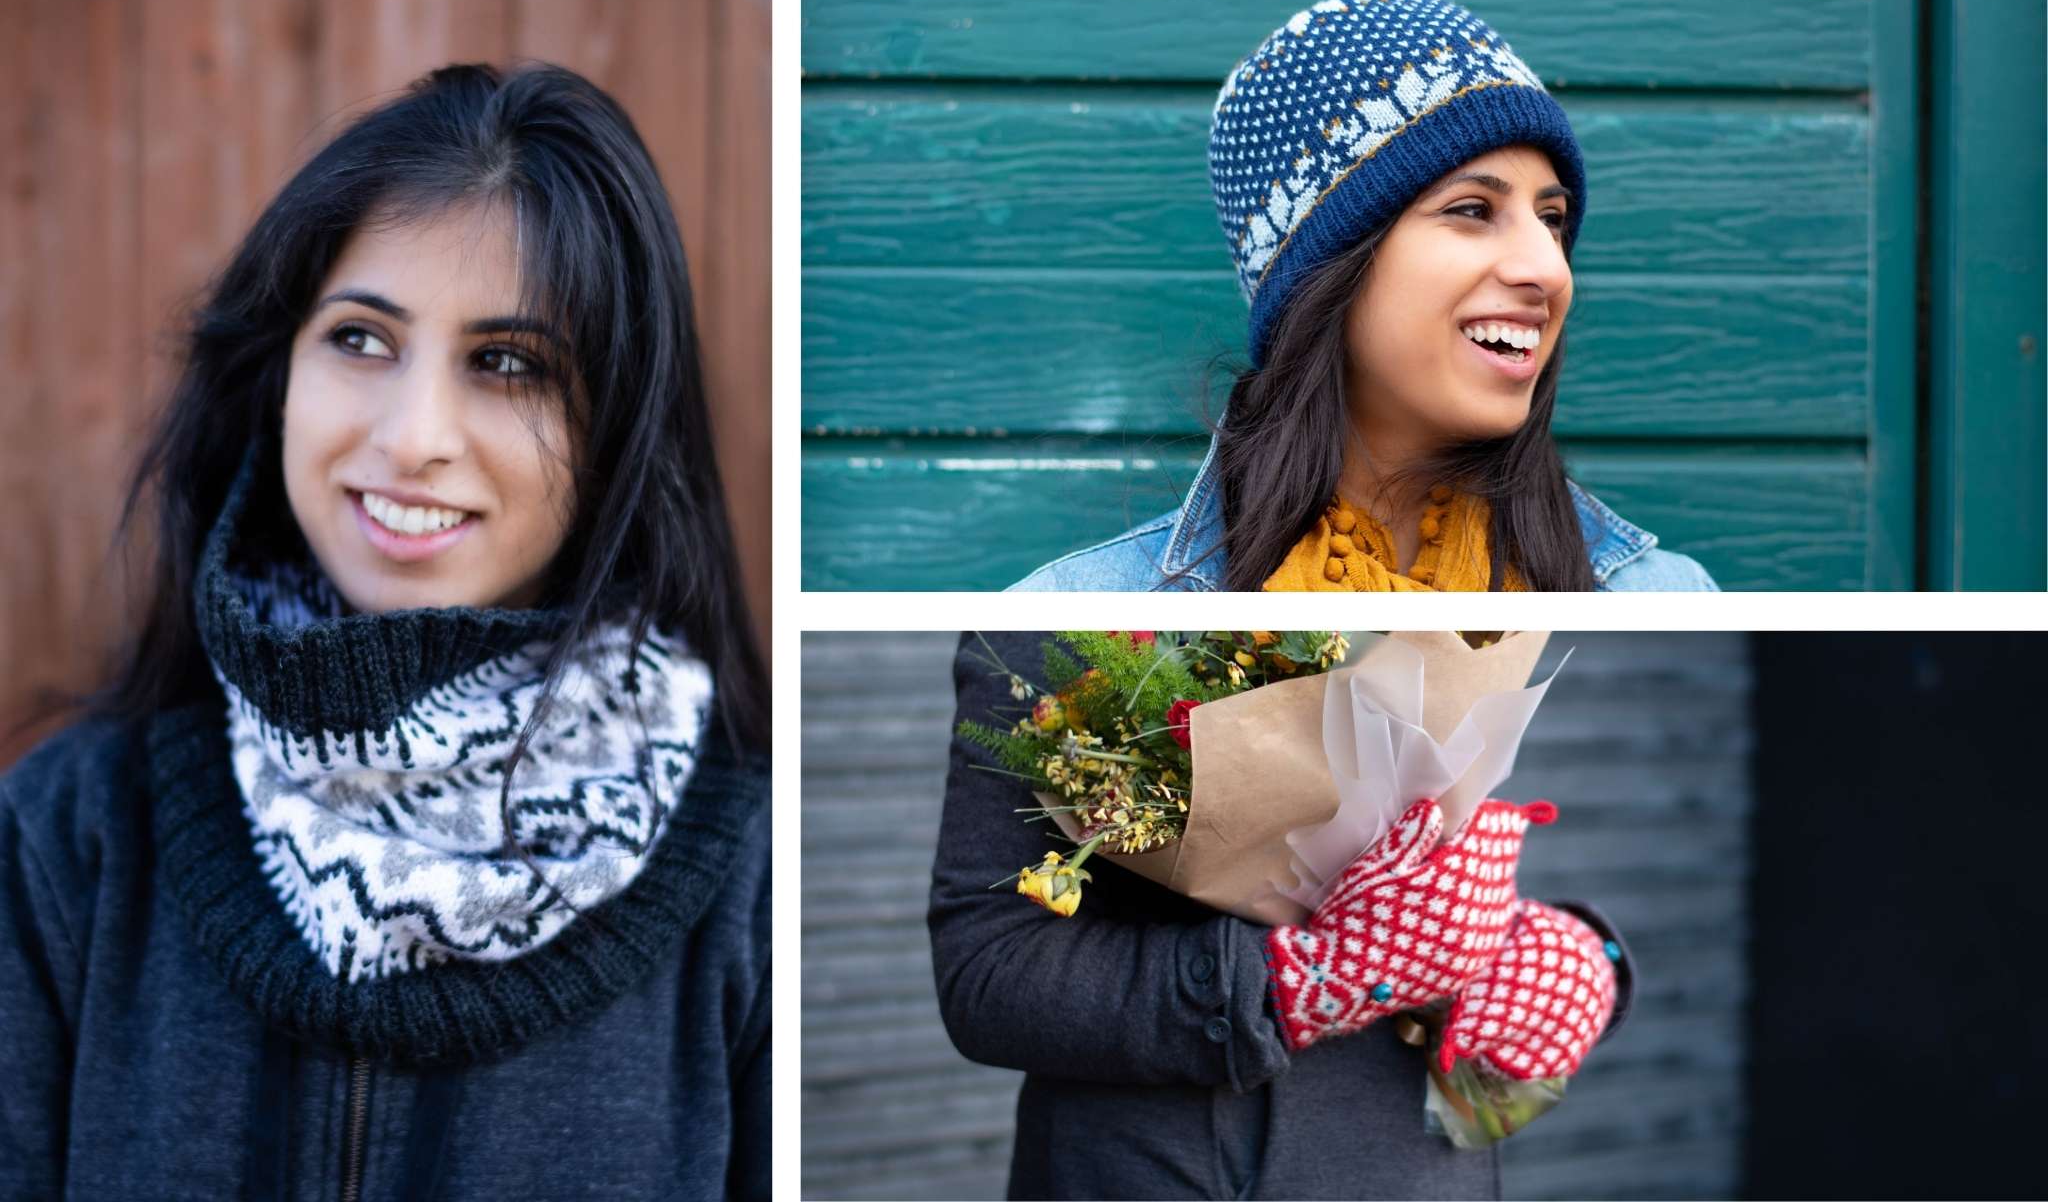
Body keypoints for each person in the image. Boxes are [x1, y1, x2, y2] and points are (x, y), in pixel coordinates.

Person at [0, 64, 770, 1199]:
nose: (414, 436)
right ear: (276, 375)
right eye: (360, 338)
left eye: (509, 363)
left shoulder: (748, 887)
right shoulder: (69, 838)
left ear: (616, 432)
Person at [1012, 0, 1717, 592]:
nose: (1549, 269)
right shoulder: (1085, 614)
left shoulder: (1665, 596)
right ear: (1328, 268)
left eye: (1553, 218)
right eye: (1473, 210)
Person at [931, 632, 1636, 1200]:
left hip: (1425, 1171)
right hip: (1174, 1171)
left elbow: (1440, 844)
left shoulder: (1468, 606)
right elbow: (987, 973)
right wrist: (1294, 980)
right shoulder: (1069, 626)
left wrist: (1573, 955)